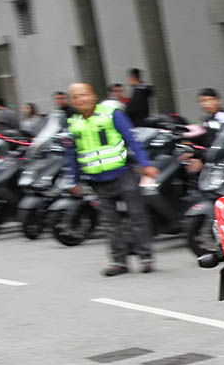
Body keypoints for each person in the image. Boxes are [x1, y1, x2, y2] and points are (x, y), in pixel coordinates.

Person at [64, 83, 159, 276]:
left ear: (93, 96)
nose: (81, 99)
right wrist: (72, 180)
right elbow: (71, 154)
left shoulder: (111, 114)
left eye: (84, 95)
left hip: (123, 174)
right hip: (97, 180)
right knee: (110, 223)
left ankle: (145, 257)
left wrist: (145, 163)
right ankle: (118, 262)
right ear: (72, 101)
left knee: (137, 216)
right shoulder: (73, 123)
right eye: (75, 97)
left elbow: (132, 140)